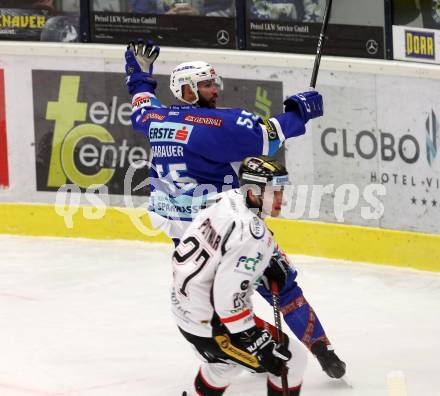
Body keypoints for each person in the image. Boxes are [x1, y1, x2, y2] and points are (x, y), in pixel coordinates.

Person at [124, 39, 346, 379]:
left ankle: (240, 349)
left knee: (219, 298)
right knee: (282, 284)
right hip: (228, 229)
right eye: (206, 84)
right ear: (186, 90)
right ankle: (321, 350)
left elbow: (141, 106)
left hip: (186, 234)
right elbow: (267, 136)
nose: (215, 90)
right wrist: (299, 112)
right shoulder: (215, 126)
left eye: (214, 82)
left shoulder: (155, 119)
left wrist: (140, 76)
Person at [174, 156, 307, 395]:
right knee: (292, 360)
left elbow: (219, 251)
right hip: (213, 326)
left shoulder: (225, 199)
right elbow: (227, 302)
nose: (281, 199)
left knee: (226, 366)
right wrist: (255, 340)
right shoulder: (252, 235)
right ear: (254, 191)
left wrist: (262, 264)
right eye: (274, 192)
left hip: (184, 310)